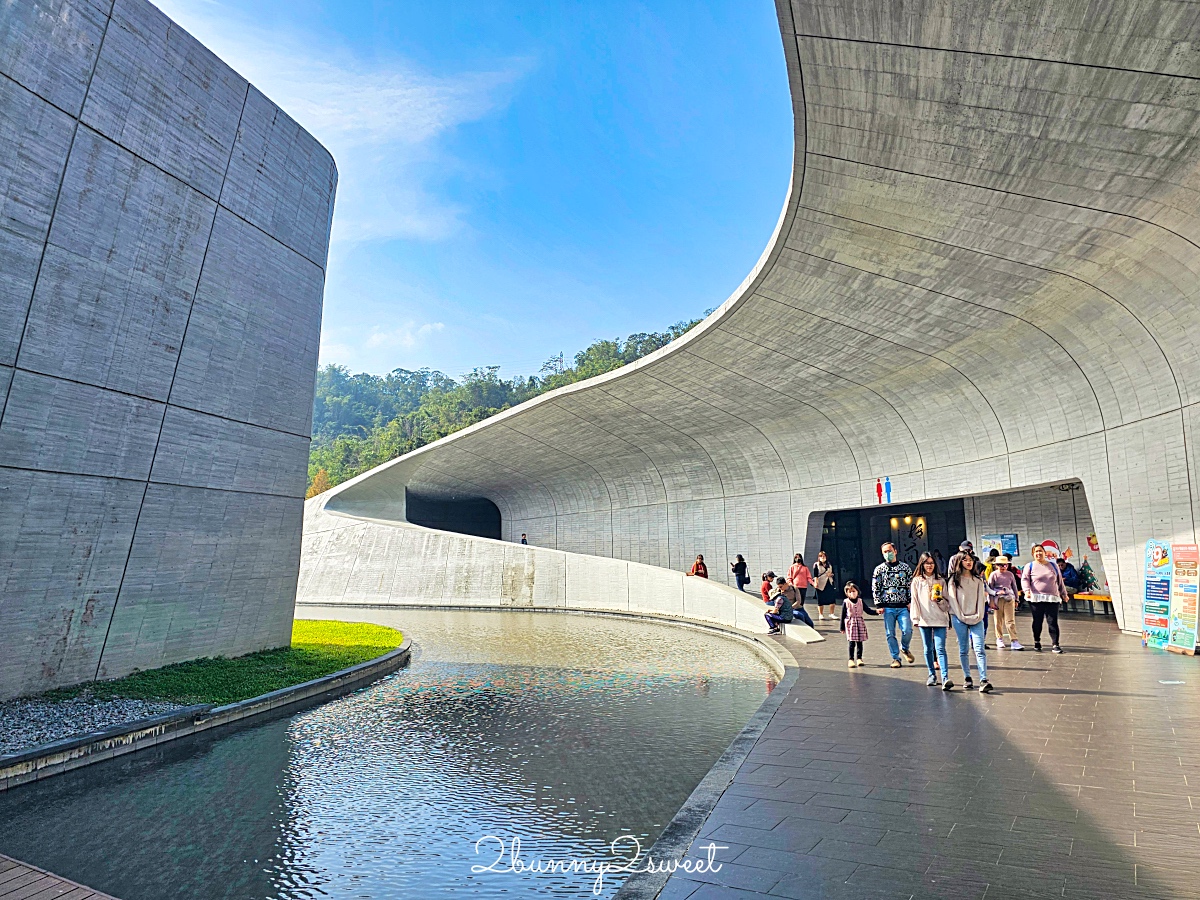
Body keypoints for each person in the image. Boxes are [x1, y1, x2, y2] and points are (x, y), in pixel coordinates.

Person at [946, 552, 993, 692]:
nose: (968, 562)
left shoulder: (978, 580)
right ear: (959, 562)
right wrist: (961, 616)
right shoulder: (953, 580)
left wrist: (978, 615)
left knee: (979, 648)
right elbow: (952, 600)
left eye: (970, 560)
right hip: (959, 618)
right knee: (963, 649)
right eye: (965, 560)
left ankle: (983, 679)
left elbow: (981, 600)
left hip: (976, 618)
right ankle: (967, 677)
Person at [871, 542, 915, 668]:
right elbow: (876, 587)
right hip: (888, 606)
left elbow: (909, 586)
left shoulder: (905, 568)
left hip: (902, 606)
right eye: (884, 552)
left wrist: (910, 601)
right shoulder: (879, 569)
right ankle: (896, 658)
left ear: (895, 551)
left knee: (907, 630)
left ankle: (905, 648)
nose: (887, 554)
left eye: (889, 551)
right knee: (890, 633)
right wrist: (878, 604)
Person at [910, 552, 950, 687]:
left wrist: (939, 600)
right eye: (927, 563)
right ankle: (931, 674)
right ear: (922, 564)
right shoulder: (917, 581)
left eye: (932, 563)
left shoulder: (941, 580)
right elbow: (914, 600)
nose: (929, 566)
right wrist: (915, 618)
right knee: (928, 648)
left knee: (941, 648)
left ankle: (945, 677)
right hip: (924, 619)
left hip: (939, 618)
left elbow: (947, 603)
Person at [1022, 544, 1069, 653]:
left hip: (1052, 598)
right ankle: (1037, 641)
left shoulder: (1053, 565)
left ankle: (1055, 644)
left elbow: (1059, 581)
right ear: (1033, 554)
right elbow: (1024, 580)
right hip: (1036, 598)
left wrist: (1064, 593)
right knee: (1037, 621)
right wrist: (1027, 591)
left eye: (1040, 551)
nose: (1038, 553)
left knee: (1052, 621)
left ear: (1044, 552)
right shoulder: (1030, 566)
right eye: (1036, 552)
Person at [839, 581, 880, 667]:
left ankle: (859, 658)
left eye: (854, 591)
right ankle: (851, 659)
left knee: (860, 642)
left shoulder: (860, 601)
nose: (852, 593)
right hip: (851, 624)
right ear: (847, 593)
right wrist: (842, 627)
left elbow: (868, 610)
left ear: (857, 591)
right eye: (850, 592)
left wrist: (877, 612)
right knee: (851, 642)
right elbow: (843, 615)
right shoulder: (846, 602)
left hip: (859, 622)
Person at [987, 555, 1023, 650]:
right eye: (1000, 565)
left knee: (1010, 620)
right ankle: (999, 638)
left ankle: (1014, 640)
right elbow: (990, 588)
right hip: (997, 599)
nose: (1002, 567)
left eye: (1004, 565)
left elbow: (1014, 587)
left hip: (1009, 598)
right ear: (996, 565)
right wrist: (990, 601)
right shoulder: (993, 575)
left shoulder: (1010, 574)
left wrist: (1016, 599)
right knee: (998, 620)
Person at [813, 551, 837, 620]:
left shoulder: (829, 564)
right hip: (820, 583)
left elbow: (833, 573)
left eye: (824, 556)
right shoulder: (816, 565)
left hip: (829, 582)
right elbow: (815, 575)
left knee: (832, 599)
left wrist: (831, 575)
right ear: (819, 557)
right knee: (820, 600)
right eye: (821, 556)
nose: (823, 558)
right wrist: (816, 583)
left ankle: (832, 613)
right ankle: (821, 614)